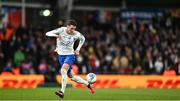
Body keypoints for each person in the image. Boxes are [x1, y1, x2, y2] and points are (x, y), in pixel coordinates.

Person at [46, 19, 94, 98]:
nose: (73, 30)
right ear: (67, 26)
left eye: (74, 28)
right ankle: (88, 85)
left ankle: (62, 92)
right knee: (72, 77)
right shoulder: (61, 30)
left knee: (63, 70)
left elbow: (83, 38)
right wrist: (56, 35)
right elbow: (47, 33)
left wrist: (78, 49)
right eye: (71, 28)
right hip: (61, 56)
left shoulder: (76, 34)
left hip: (70, 55)